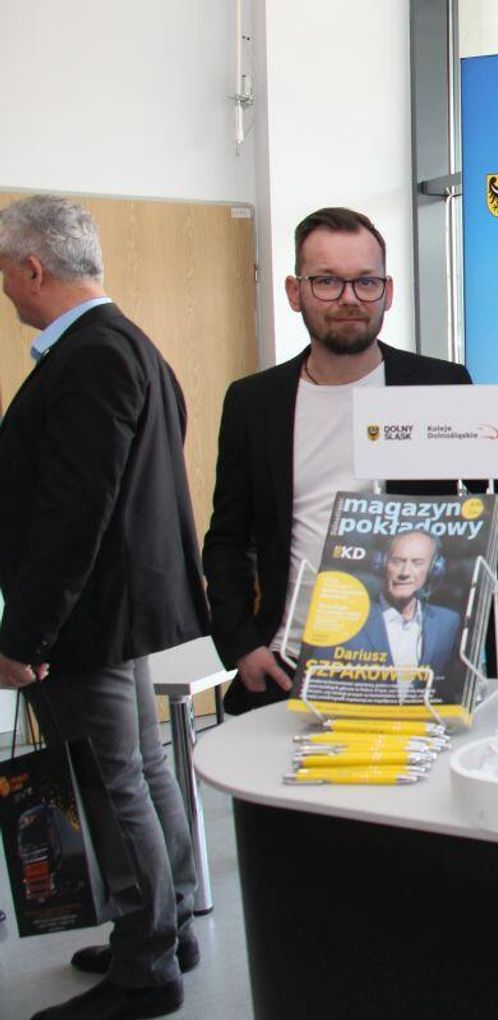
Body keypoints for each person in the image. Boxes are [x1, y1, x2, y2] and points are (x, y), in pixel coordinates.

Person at [0, 195, 206, 1019]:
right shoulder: (129, 344)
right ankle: (167, 926)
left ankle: (146, 968)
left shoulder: (89, 356)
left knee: (111, 780)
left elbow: (72, 513)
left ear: (33, 268)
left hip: (88, 616)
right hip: (120, 607)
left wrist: (26, 635)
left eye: (4, 270)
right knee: (142, 768)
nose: (4, 288)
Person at [203, 208, 475, 714]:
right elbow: (228, 538)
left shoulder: (439, 385)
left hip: (415, 665)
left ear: (388, 292)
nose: (349, 298)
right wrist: (240, 642)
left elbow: (492, 502)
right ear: (295, 292)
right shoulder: (253, 402)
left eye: (366, 281)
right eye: (327, 281)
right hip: (289, 664)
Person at [343, 530, 462, 678]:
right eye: (397, 561)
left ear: (434, 569)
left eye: (417, 563)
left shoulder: (448, 621)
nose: (405, 572)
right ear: (381, 564)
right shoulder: (350, 618)